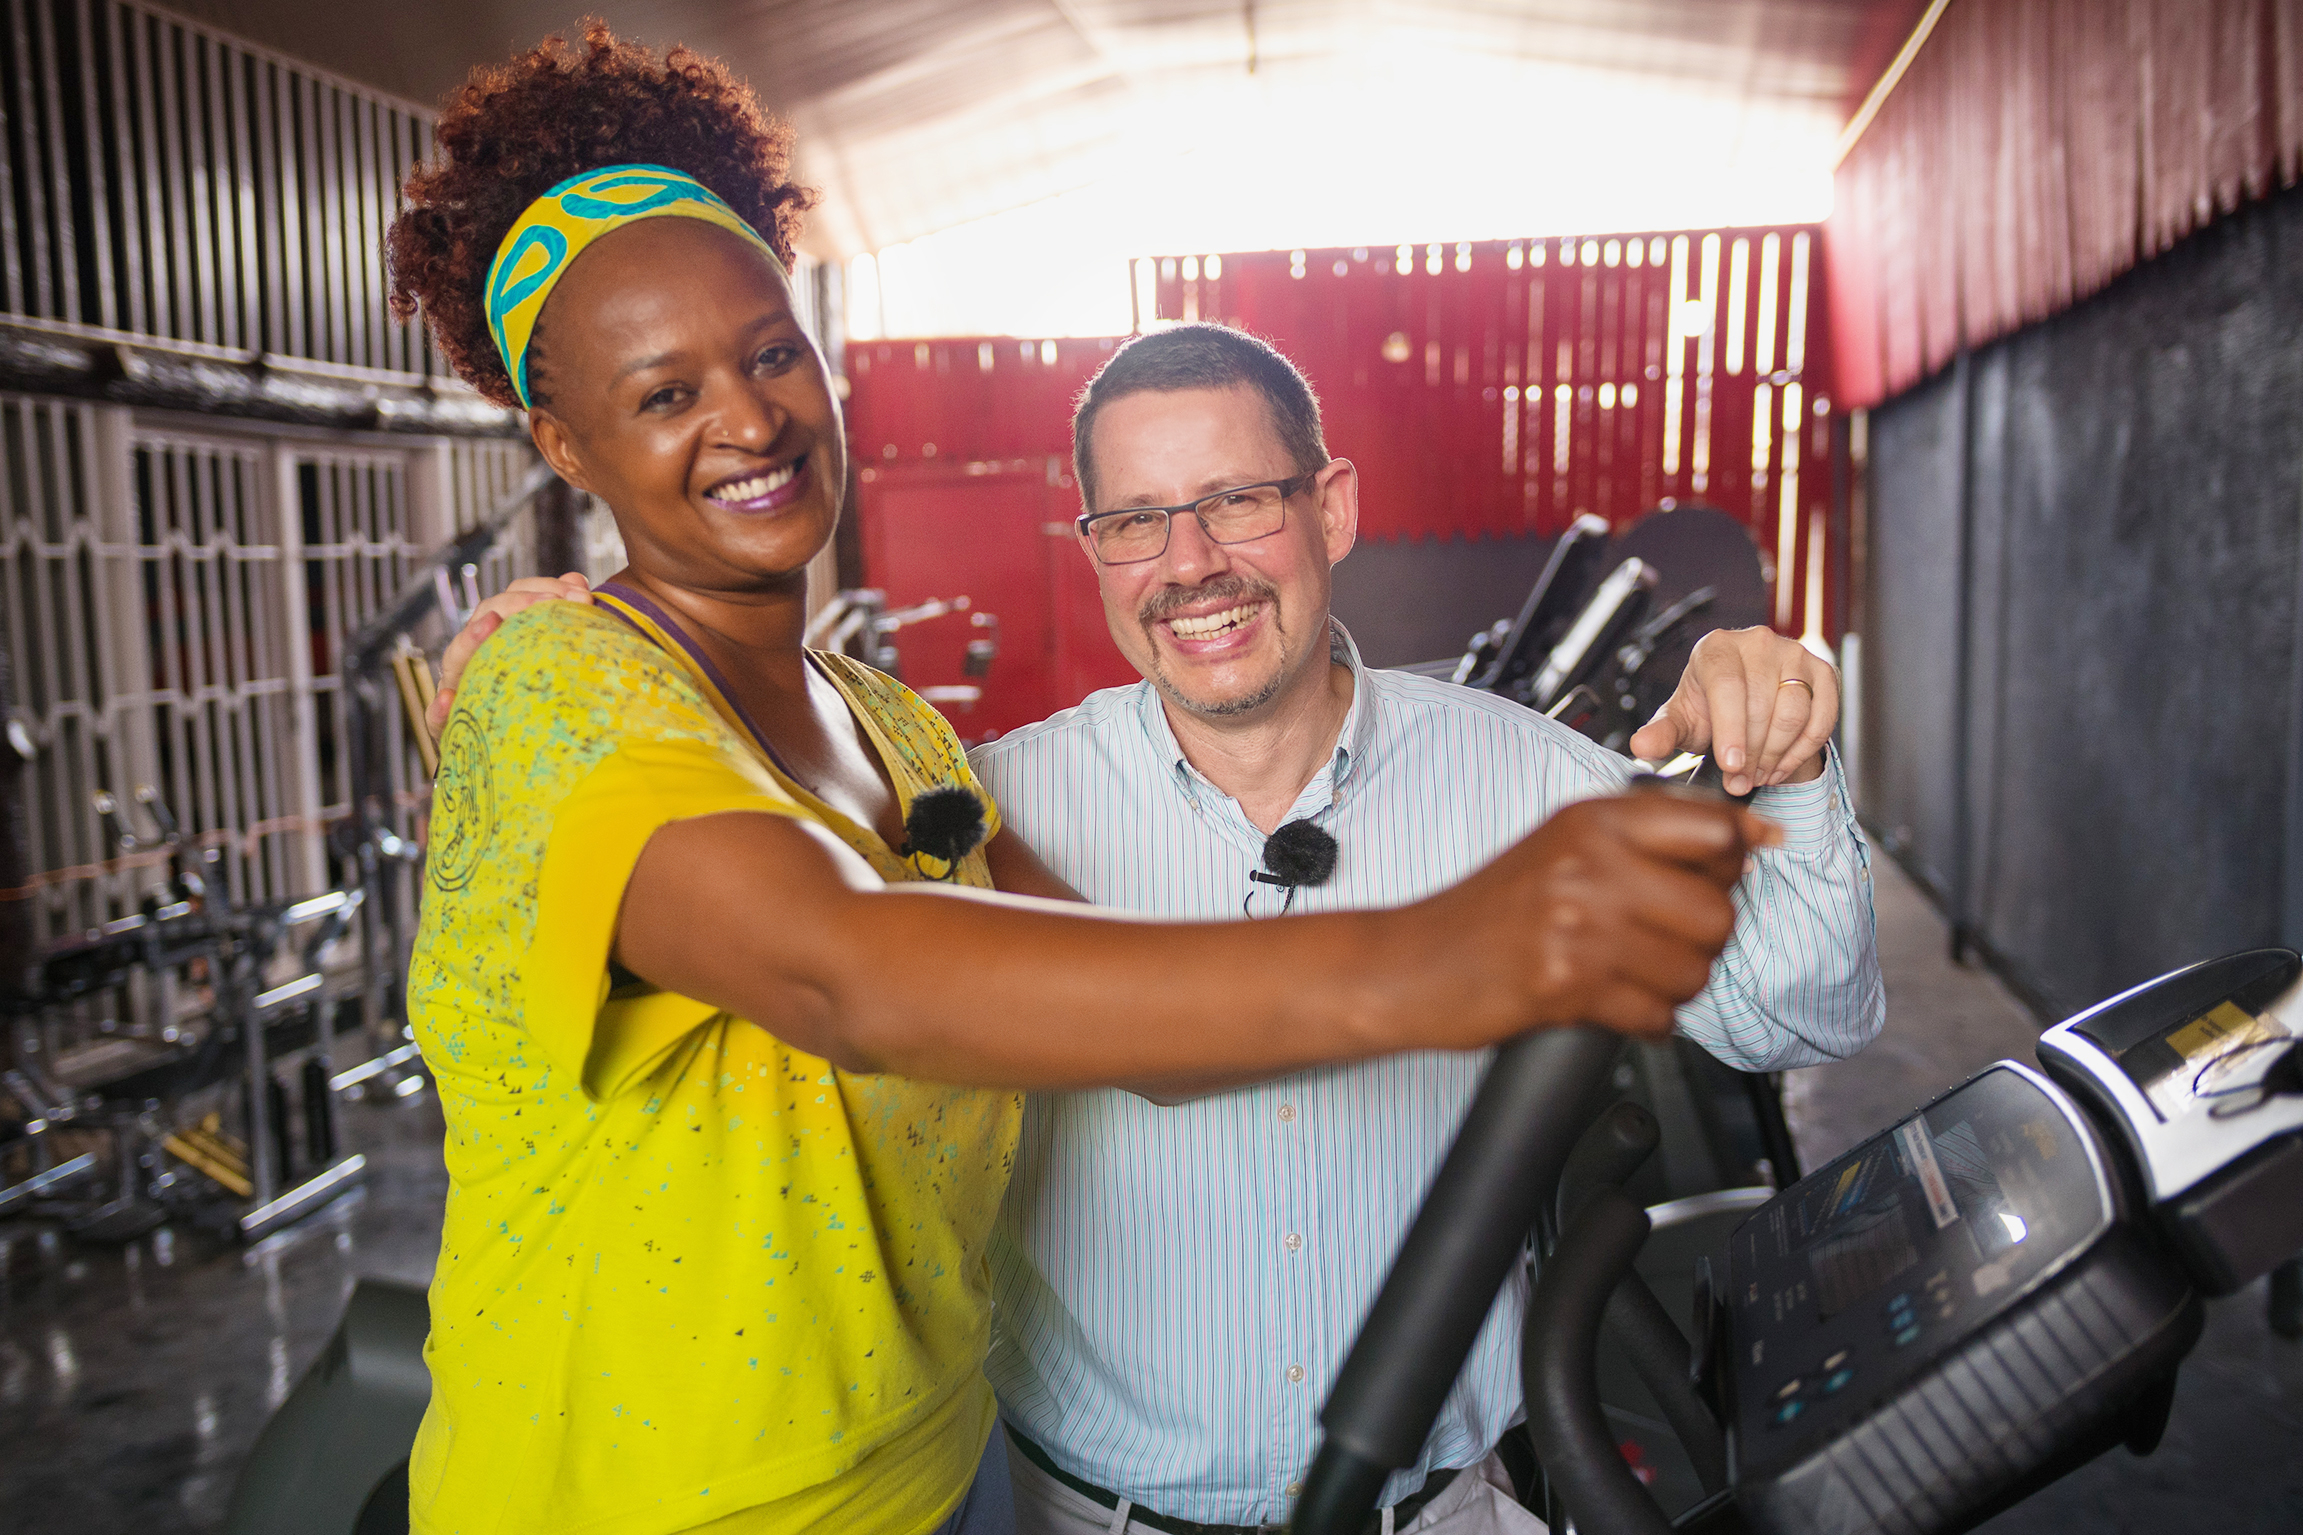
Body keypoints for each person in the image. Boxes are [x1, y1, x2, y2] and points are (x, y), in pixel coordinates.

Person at [386, 25, 1771, 1535]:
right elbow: (852, 972)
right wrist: (1460, 947)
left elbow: (1142, 1025)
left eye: (772, 352)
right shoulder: (554, 692)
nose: (747, 417)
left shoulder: (899, 732)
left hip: (935, 1485)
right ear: (561, 441)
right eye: (663, 395)